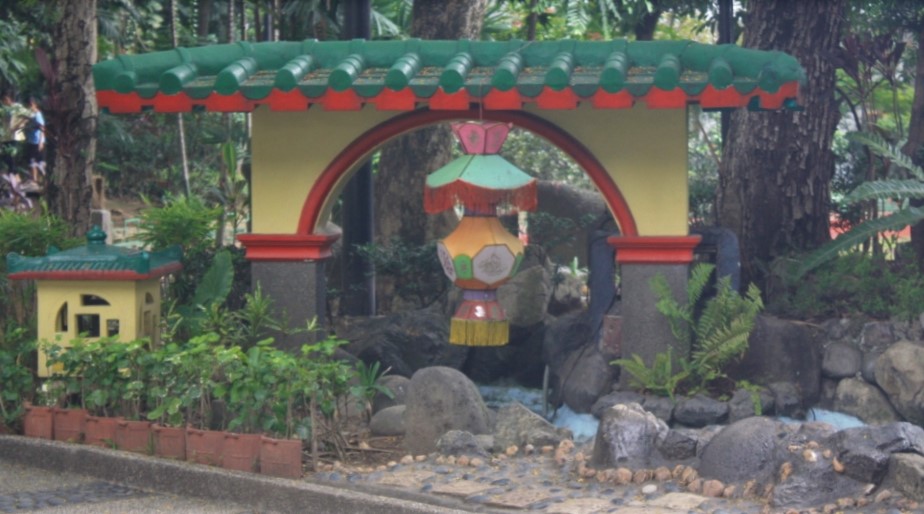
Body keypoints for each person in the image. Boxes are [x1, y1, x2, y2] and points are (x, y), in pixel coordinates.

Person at [0, 90, 29, 174]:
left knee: (11, 156)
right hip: (5, 136)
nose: (4, 102)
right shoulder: (3, 110)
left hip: (15, 136)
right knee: (5, 156)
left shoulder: (17, 107)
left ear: (8, 98)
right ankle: (12, 173)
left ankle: (13, 173)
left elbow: (27, 116)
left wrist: (19, 125)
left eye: (5, 100)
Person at [23, 95, 45, 183]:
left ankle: (44, 180)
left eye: (31, 105)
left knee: (40, 162)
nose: (29, 107)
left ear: (35, 104)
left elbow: (42, 128)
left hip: (37, 141)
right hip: (30, 141)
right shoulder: (29, 115)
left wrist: (41, 142)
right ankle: (34, 180)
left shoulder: (37, 115)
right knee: (32, 161)